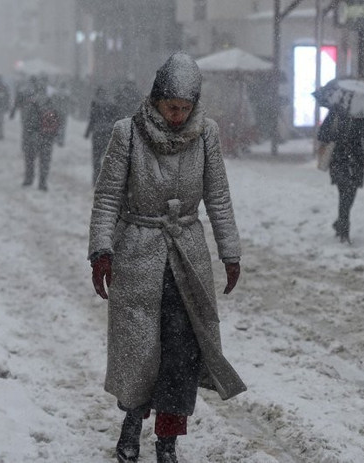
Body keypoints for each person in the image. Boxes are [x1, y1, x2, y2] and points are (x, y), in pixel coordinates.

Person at [87, 52, 245, 463]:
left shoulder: (206, 133)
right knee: (140, 350)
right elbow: (107, 197)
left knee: (181, 354)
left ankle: (168, 442)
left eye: (185, 107)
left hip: (186, 257)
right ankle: (131, 422)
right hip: (139, 253)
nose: (177, 115)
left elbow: (218, 197)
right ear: (156, 99)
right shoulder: (128, 133)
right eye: (170, 106)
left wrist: (230, 252)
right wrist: (101, 251)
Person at [317, 107, 364, 243]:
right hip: (339, 159)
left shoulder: (363, 116)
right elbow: (322, 134)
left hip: (356, 161)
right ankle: (344, 232)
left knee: (350, 194)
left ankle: (340, 223)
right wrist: (335, 135)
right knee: (344, 192)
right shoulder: (336, 112)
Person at [10, 75, 58, 191]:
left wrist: (26, 138)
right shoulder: (50, 101)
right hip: (47, 136)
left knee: (30, 158)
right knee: (45, 161)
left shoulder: (31, 101)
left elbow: (27, 122)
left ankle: (29, 179)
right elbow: (57, 118)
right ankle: (43, 182)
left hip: (33, 136)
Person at [83, 86, 118, 187]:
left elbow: (92, 119)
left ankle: (96, 179)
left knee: (96, 158)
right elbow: (115, 119)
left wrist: (87, 132)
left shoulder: (95, 104)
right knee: (107, 157)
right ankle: (105, 180)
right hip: (107, 134)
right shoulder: (112, 105)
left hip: (97, 134)